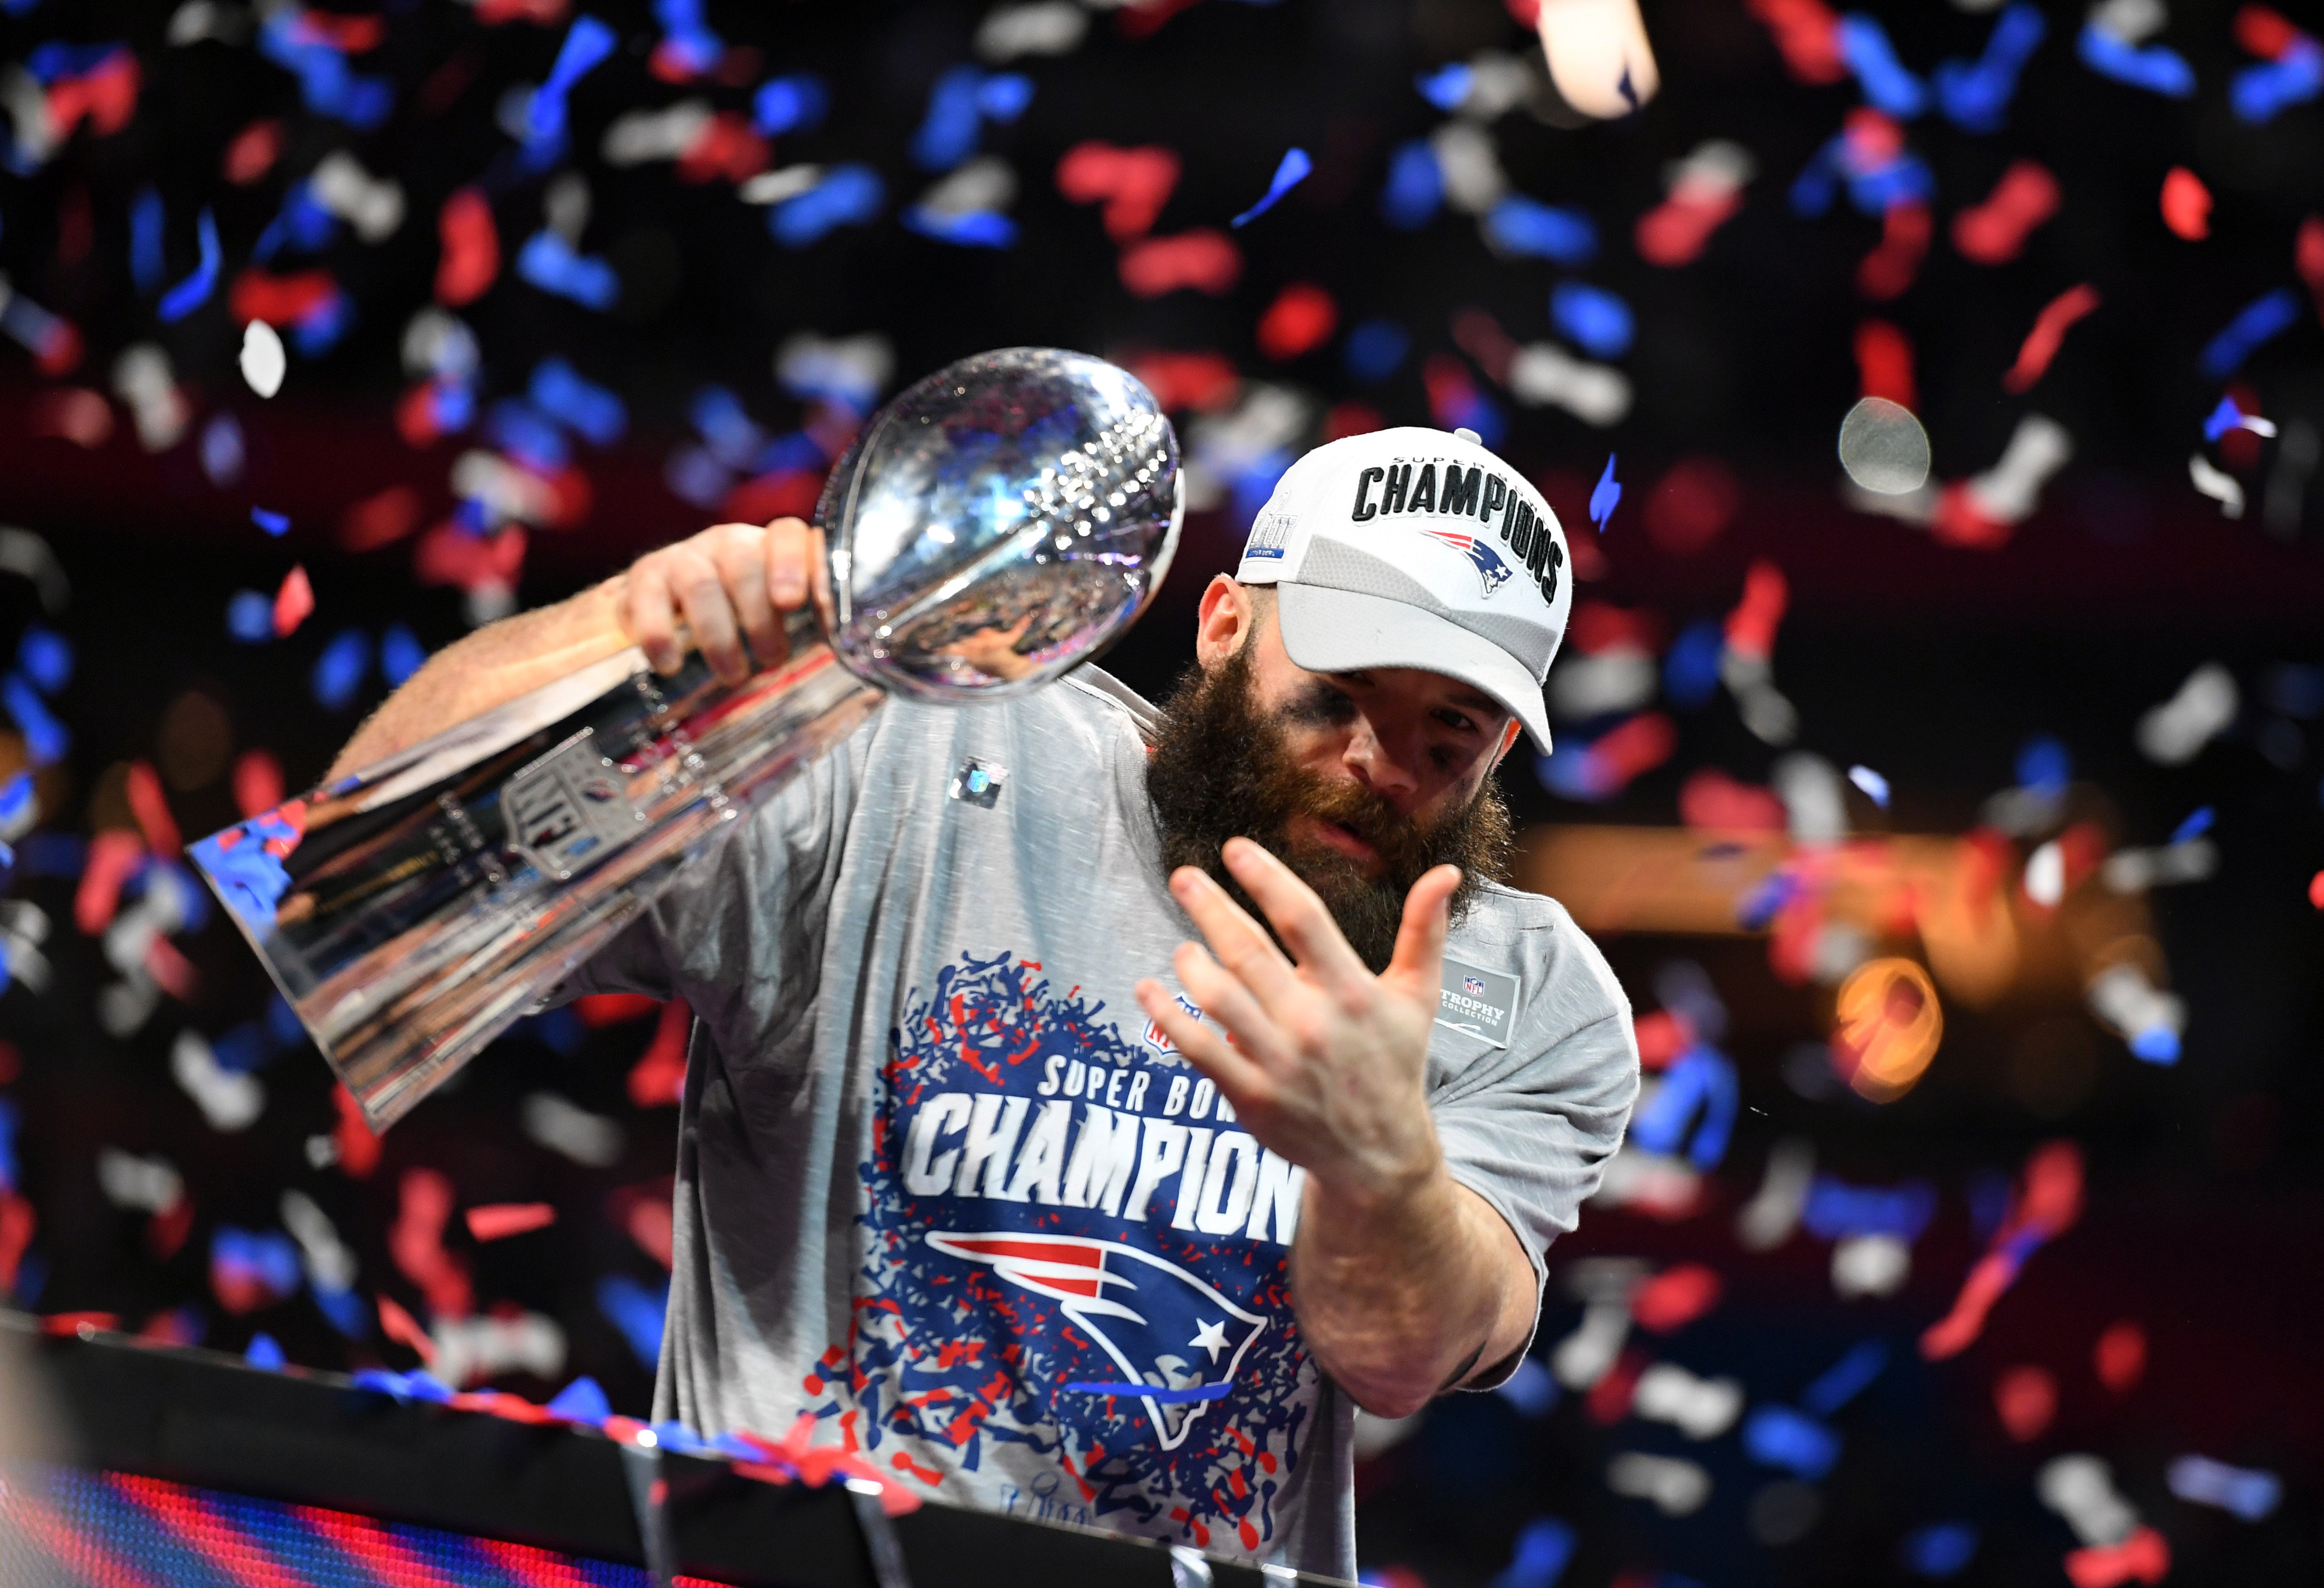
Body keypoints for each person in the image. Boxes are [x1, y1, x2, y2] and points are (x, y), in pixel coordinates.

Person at [333, 424, 1638, 1577]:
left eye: (1448, 735)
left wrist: (1378, 1163)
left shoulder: (1521, 989)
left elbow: (1400, 1352)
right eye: (1338, 695)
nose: (1376, 763)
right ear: (1224, 625)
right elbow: (361, 906)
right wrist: (621, 628)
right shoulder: (915, 752)